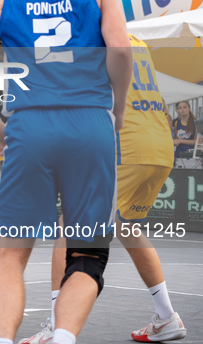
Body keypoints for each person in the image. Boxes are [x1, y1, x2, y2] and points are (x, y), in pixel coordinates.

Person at [0, 0, 132, 343]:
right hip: (89, 120)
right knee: (88, 254)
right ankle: (63, 337)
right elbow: (121, 53)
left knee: (11, 254)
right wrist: (118, 109)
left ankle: (1, 340)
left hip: (28, 125)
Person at [17, 34, 186, 344]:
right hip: (159, 146)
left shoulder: (93, 38)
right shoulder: (136, 41)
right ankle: (167, 318)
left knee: (67, 227)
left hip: (125, 146)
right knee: (128, 227)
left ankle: (56, 325)